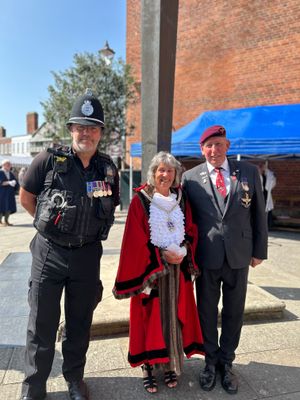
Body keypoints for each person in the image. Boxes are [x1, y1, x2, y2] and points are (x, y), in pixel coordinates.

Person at [19, 89, 120, 400]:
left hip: (87, 255)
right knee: (41, 326)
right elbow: (26, 197)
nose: (85, 133)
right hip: (49, 252)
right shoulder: (48, 160)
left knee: (79, 325)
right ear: (71, 130)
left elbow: (110, 207)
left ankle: (74, 380)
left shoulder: (108, 169)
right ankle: (33, 388)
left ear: (101, 132)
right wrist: (50, 227)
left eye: (92, 127)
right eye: (80, 126)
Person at [182, 125, 268, 395]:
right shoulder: (190, 178)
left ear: (227, 146)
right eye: (208, 146)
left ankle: (226, 362)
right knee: (206, 311)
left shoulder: (249, 172)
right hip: (207, 256)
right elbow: (186, 219)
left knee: (234, 312)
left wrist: (259, 251)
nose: (214, 150)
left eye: (219, 144)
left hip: (240, 255)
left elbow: (259, 214)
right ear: (201, 149)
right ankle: (210, 362)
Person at [113, 151, 204, 394]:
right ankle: (148, 367)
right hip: (151, 274)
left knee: (174, 318)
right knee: (149, 319)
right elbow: (134, 239)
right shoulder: (140, 200)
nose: (165, 174)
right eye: (160, 170)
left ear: (176, 175)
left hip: (178, 273)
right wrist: (161, 256)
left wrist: (184, 250)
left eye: (170, 170)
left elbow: (191, 229)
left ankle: (170, 364)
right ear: (153, 173)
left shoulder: (181, 198)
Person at [257, 161, 276, 230]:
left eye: (263, 167)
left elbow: (272, 183)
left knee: (267, 211)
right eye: (261, 167)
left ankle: (267, 226)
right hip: (260, 194)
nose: (262, 168)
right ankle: (260, 226)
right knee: (260, 211)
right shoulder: (257, 175)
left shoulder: (268, 175)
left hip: (266, 194)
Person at [0, 159, 19, 226]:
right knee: (2, 207)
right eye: (8, 164)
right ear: (4, 165)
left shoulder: (10, 173)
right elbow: (1, 182)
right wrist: (9, 182)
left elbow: (15, 181)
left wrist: (15, 183)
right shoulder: (1, 172)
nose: (9, 166)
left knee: (8, 207)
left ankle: (6, 221)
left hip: (10, 193)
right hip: (2, 193)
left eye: (10, 164)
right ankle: (0, 222)